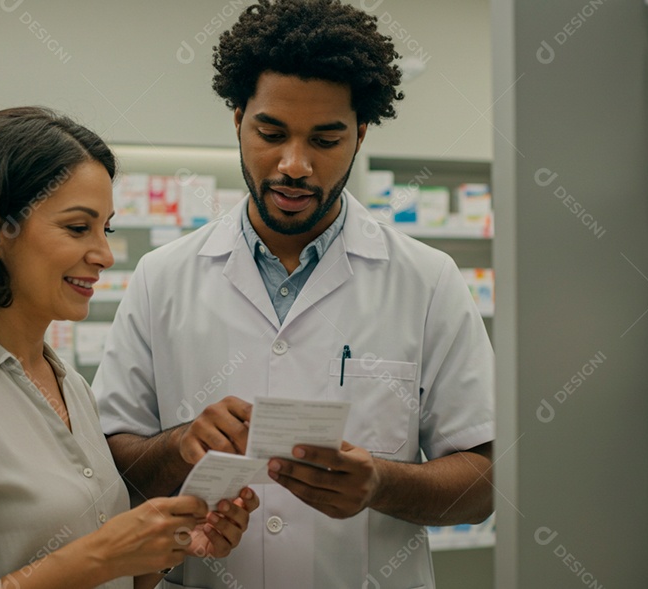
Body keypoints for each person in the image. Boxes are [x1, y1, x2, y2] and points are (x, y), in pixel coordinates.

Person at [94, 1, 496, 587]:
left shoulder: (428, 281)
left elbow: (484, 484)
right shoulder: (163, 278)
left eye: (326, 139)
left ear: (360, 135)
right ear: (237, 121)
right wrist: (180, 446)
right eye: (271, 133)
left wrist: (381, 483)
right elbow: (110, 467)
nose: (294, 165)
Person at [0, 107, 258, 589]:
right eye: (77, 227)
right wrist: (101, 557)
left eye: (104, 228)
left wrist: (160, 553)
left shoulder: (69, 387)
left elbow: (102, 575)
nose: (104, 255)